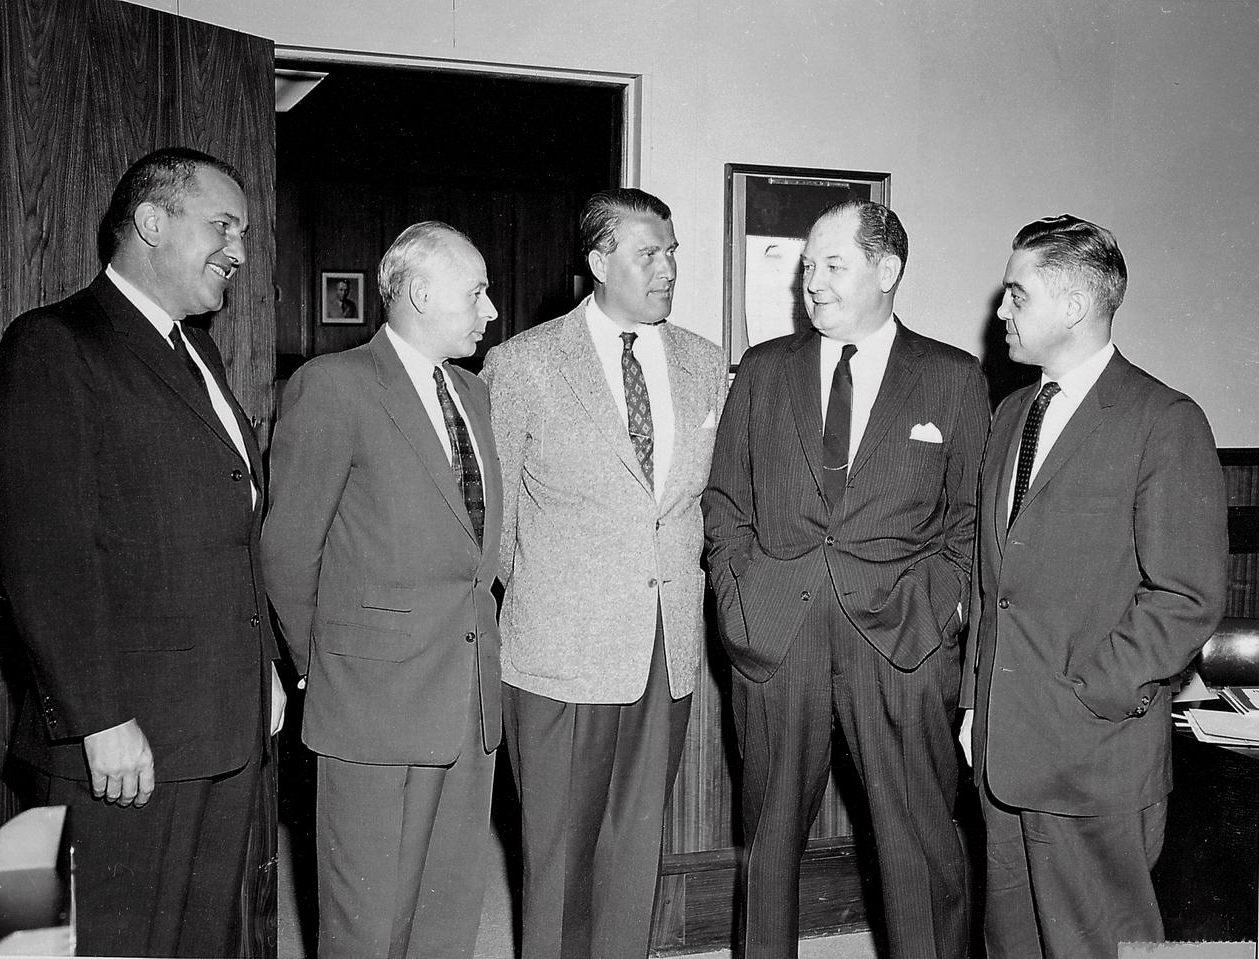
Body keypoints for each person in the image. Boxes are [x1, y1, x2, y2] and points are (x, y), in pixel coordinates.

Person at [0, 146, 284, 957]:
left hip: (219, 724)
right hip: (123, 738)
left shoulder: (200, 351)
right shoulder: (52, 344)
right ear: (151, 222)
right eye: (223, 226)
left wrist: (261, 668)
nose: (241, 252)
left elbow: (225, 527)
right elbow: (43, 555)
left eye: (244, 233)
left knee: (200, 941)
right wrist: (98, 716)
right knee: (95, 945)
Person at [703, 195, 989, 959]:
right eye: (808, 267)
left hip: (902, 644)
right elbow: (727, 501)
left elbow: (968, 523)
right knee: (767, 847)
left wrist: (938, 614)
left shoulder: (954, 378)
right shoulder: (764, 370)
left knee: (920, 846)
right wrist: (739, 601)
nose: (814, 282)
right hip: (776, 638)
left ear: (888, 269)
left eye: (834, 264)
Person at [959, 214, 1228, 959]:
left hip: (1094, 753)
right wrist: (976, 700)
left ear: (1074, 306)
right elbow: (994, 580)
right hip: (1003, 755)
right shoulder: (1012, 413)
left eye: (1017, 295)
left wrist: (1095, 693)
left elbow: (1187, 594)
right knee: (1010, 943)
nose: (1001, 310)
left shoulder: (1164, 421)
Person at [481, 188, 726, 959]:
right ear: (598, 261)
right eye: (648, 252)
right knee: (558, 858)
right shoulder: (521, 363)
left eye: (673, 251)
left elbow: (702, 503)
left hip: (666, 643)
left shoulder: (705, 362)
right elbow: (496, 523)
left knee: (636, 846)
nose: (669, 267)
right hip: (559, 649)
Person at [262, 221, 502, 959]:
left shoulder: (472, 392)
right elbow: (287, 548)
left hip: (466, 696)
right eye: (478, 292)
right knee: (368, 919)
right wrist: (327, 668)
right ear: (422, 293)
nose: (491, 310)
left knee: (448, 906)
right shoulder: (333, 386)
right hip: (370, 701)